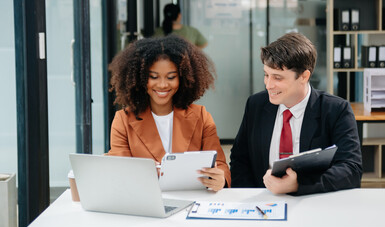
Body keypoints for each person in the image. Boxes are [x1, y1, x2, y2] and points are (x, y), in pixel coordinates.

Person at [229, 32, 362, 196]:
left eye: (277, 78)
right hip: (263, 204)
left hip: (313, 201)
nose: (268, 85)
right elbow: (239, 160)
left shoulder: (336, 110)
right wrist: (251, 199)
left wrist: (299, 185)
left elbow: (351, 169)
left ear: (304, 76)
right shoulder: (255, 105)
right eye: (266, 75)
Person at [107, 35, 230, 191]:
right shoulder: (123, 121)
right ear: (140, 78)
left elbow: (220, 166)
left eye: (171, 77)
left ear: (183, 78)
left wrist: (220, 179)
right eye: (153, 77)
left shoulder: (201, 116)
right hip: (144, 205)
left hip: (191, 201)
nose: (163, 85)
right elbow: (119, 173)